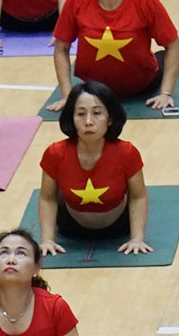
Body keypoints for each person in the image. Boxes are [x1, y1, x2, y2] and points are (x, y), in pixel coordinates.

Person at [36, 85, 153, 258]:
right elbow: (47, 198)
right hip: (70, 229)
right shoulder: (55, 153)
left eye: (97, 113)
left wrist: (137, 238)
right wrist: (47, 240)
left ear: (110, 119)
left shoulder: (127, 152)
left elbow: (138, 196)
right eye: (80, 114)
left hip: (119, 228)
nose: (89, 122)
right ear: (71, 119)